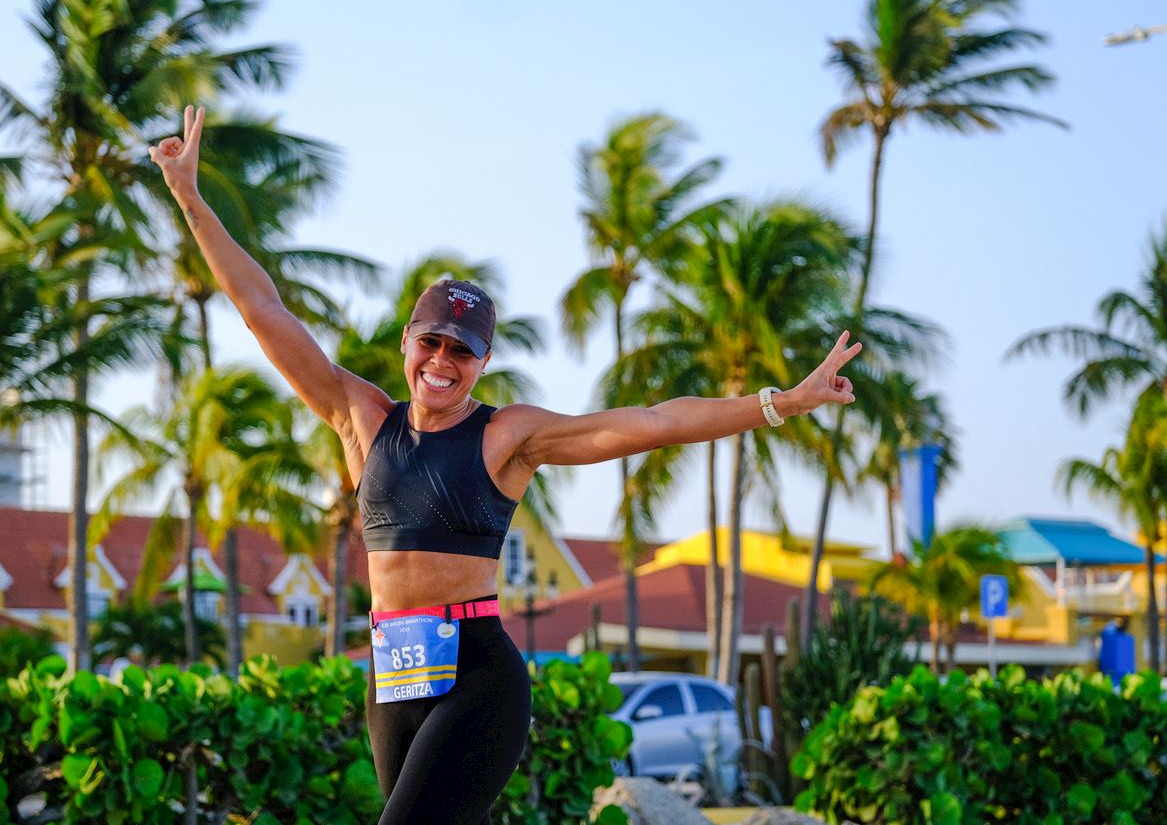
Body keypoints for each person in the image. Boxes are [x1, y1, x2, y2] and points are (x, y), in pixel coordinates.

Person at [150, 106, 862, 825]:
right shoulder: (360, 417)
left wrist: (781, 402)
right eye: (432, 342)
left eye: (462, 350)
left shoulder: (506, 437)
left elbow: (654, 423)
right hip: (395, 674)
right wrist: (190, 197)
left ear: (482, 362)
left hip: (478, 677)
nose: (442, 362)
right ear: (407, 342)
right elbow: (262, 307)